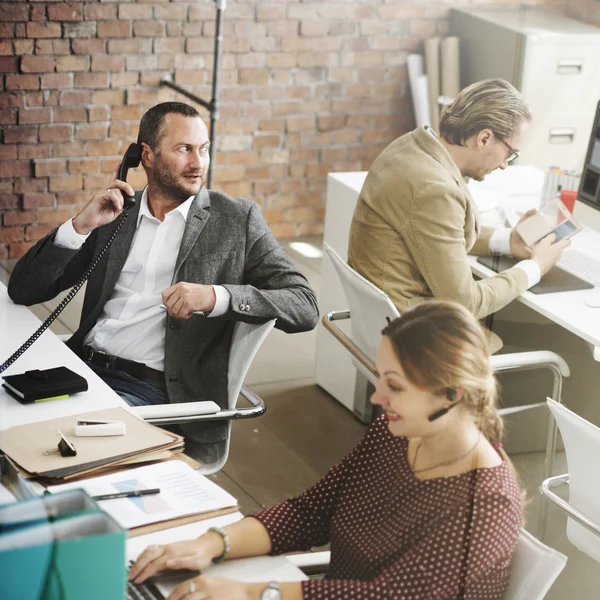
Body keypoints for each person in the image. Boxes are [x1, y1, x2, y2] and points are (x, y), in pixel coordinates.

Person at [129, 301, 523, 600]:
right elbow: (310, 512)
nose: (377, 396)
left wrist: (252, 593)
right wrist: (209, 544)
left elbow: (388, 597)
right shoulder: (395, 432)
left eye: (396, 386)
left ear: (452, 395)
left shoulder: (488, 505)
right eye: (380, 378)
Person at [8, 102, 319, 447]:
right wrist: (80, 226)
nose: (197, 163)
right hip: (80, 370)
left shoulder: (236, 220)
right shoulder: (115, 216)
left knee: (43, 448)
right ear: (146, 155)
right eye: (184, 149)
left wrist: (216, 297)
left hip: (152, 391)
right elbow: (24, 290)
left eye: (203, 149)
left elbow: (304, 305)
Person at [348, 78, 570, 353]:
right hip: (419, 339)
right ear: (485, 138)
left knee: (535, 330)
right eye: (509, 154)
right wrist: (536, 267)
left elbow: (435, 232)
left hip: (388, 319)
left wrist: (507, 240)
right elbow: (465, 302)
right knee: (567, 347)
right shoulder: (436, 188)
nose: (503, 165)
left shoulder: (410, 147)